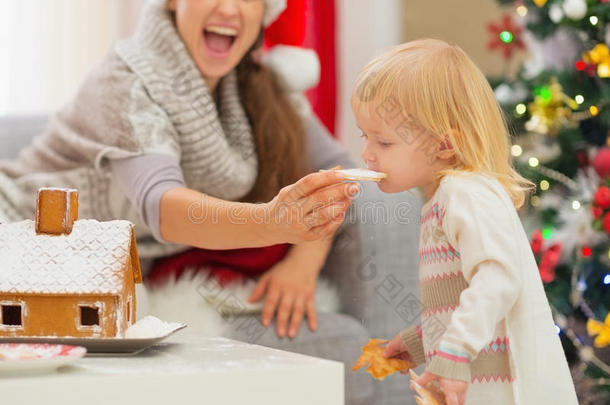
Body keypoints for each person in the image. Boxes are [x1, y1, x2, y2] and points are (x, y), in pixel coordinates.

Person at [0, 0, 359, 339]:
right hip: (20, 234)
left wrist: (304, 260)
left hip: (104, 262)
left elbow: (337, 171)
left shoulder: (260, 85)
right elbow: (163, 206)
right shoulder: (126, 81)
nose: (230, 8)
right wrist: (271, 222)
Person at [350, 39, 578, 405]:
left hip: (505, 391)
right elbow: (464, 299)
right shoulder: (445, 198)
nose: (366, 154)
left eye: (383, 142)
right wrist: (422, 341)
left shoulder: (464, 193)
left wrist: (455, 352)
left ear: (443, 145)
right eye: (365, 137)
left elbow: (498, 279)